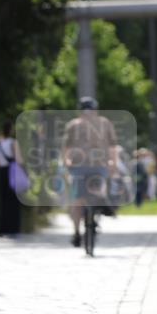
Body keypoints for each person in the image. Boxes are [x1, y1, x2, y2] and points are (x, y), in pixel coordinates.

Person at [62, 97, 117, 247]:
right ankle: (102, 203)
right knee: (93, 190)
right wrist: (113, 163)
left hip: (84, 165)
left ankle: (76, 231)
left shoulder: (74, 124)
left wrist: (66, 161)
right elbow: (112, 147)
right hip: (93, 165)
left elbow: (66, 148)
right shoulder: (103, 123)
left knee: (78, 200)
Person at [0, 121, 22, 236]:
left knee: (3, 201)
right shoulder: (13, 142)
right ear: (10, 130)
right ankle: (13, 228)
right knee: (13, 201)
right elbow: (18, 160)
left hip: (1, 172)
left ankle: (2, 229)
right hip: (12, 171)